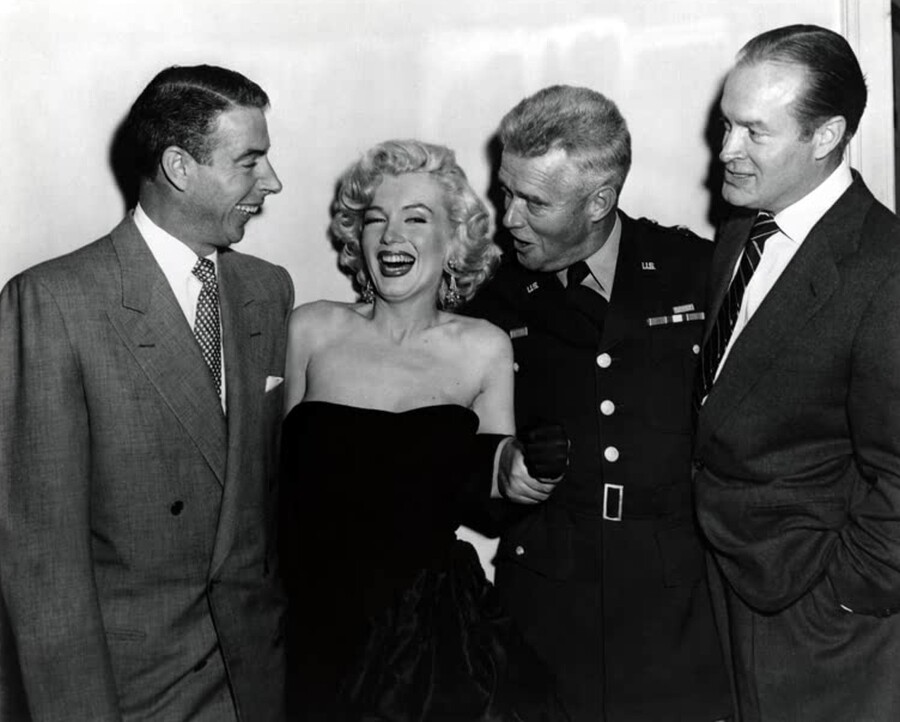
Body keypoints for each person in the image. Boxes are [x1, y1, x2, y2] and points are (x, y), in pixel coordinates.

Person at [0, 64, 292, 721]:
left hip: (255, 683)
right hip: (134, 694)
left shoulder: (268, 290)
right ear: (179, 167)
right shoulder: (53, 302)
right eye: (250, 161)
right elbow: (43, 567)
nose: (272, 181)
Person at [463, 85, 731, 721]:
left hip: (674, 600)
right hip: (547, 598)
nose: (509, 218)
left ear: (599, 202)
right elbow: (447, 451)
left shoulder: (697, 271)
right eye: (506, 192)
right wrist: (497, 467)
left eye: (534, 202)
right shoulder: (490, 297)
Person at [279, 139, 567, 721]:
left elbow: (493, 495)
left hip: (423, 646)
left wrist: (524, 469)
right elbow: (270, 488)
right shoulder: (309, 329)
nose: (391, 236)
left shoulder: (483, 346)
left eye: (416, 218)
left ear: (453, 239)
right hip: (310, 626)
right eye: (375, 219)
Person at [693, 24, 900, 722]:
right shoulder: (740, 233)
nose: (727, 150)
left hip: (819, 622)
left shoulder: (885, 269)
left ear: (826, 136)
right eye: (726, 124)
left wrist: (842, 597)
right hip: (724, 588)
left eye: (754, 131)